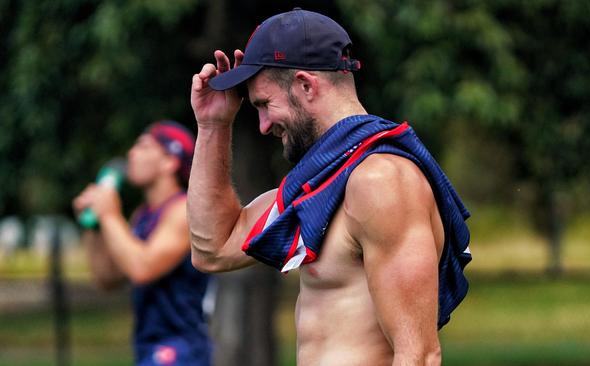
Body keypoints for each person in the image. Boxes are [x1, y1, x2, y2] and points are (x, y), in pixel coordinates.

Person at [189, 8, 471, 365]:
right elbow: (212, 248)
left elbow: (419, 354)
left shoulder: (381, 182)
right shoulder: (321, 184)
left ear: (306, 85)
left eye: (265, 104)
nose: (262, 125)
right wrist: (214, 126)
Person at [73, 121, 212, 366]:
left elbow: (142, 269)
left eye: (144, 146)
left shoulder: (183, 211)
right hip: (148, 344)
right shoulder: (143, 215)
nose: (131, 154)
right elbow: (108, 278)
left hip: (180, 347)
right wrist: (94, 227)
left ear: (170, 161)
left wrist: (109, 215)